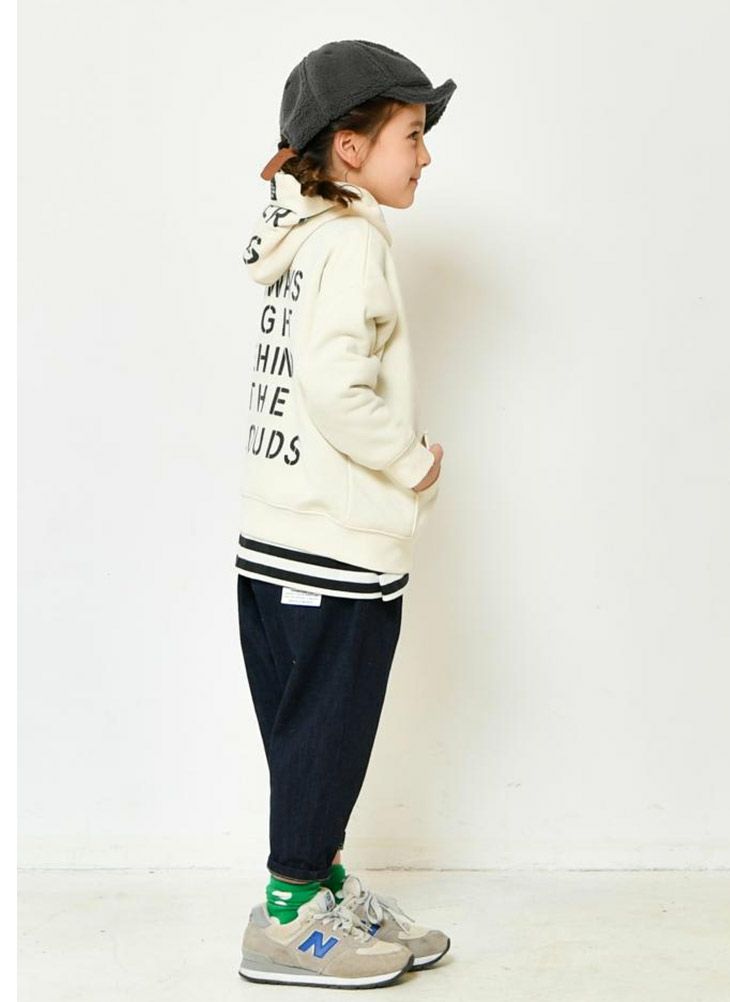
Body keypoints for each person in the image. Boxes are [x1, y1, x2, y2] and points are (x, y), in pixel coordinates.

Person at [234, 40, 457, 989]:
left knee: (305, 736)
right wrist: (411, 464)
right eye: (412, 133)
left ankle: (317, 889)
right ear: (351, 148)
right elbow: (335, 389)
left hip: (274, 539)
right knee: (329, 732)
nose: (427, 154)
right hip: (334, 548)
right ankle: (290, 920)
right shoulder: (353, 242)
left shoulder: (297, 234)